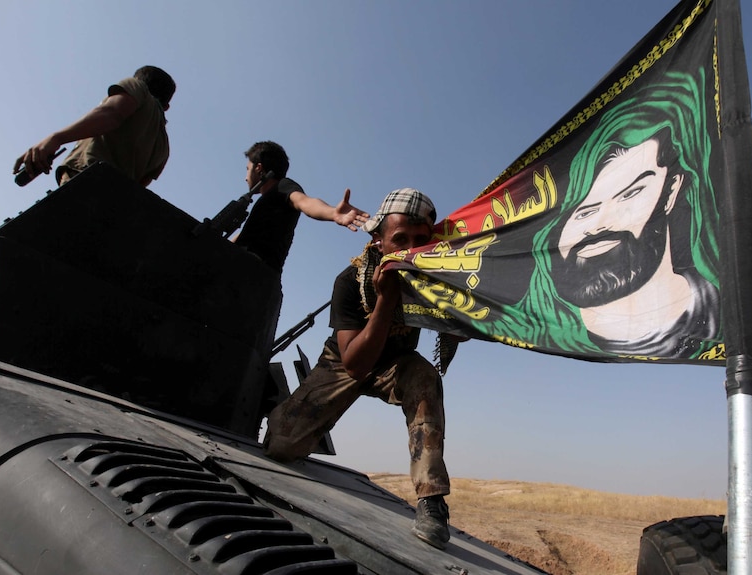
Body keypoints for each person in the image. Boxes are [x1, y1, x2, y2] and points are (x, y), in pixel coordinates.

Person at [263, 188, 452, 549]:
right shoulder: (351, 282)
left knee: (425, 377)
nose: (410, 248)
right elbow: (355, 363)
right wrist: (386, 299)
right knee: (281, 446)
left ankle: (431, 500)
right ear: (379, 242)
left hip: (395, 366)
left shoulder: (432, 282)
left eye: (419, 240)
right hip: (346, 362)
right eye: (400, 239)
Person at [491, 69, 721, 359]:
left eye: (630, 194)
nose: (600, 224)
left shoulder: (720, 312)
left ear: (671, 189)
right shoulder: (539, 328)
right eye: (584, 211)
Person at [13, 65, 176, 188]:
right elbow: (139, 187)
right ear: (167, 107)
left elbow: (111, 113)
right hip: (110, 213)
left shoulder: (138, 88)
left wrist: (56, 138)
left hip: (84, 182)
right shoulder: (164, 147)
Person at [233, 141, 369, 272]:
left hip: (255, 276)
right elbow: (245, 237)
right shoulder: (267, 201)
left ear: (258, 168)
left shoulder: (282, 186)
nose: (245, 177)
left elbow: (304, 202)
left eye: (247, 169)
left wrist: (333, 213)